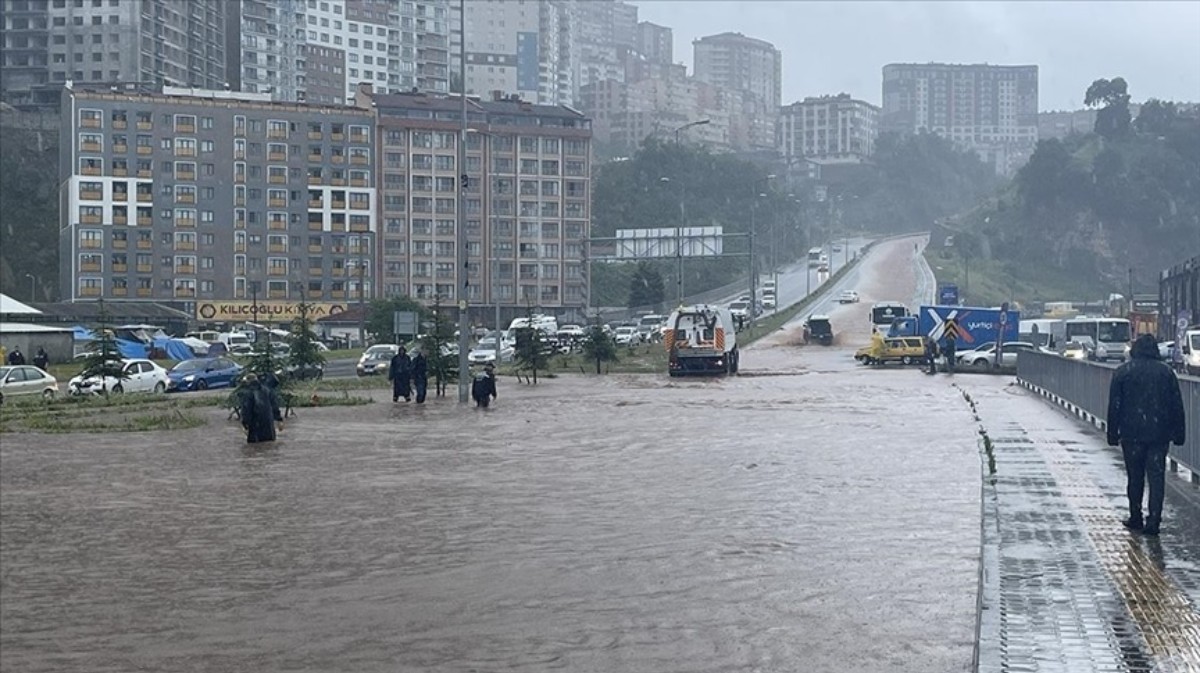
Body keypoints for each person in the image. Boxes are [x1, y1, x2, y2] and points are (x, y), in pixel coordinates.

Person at [1106, 334, 1187, 536]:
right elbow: (1177, 406)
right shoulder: (1166, 373)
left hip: (1131, 434)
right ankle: (1154, 521)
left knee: (1135, 477)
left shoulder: (1123, 372)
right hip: (1159, 435)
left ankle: (1135, 516)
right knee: (1157, 477)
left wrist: (1112, 432)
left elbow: (1114, 406)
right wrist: (1179, 433)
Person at [239, 373, 281, 444]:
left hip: (255, 427)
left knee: (255, 449)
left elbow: (246, 410)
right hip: (269, 426)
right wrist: (279, 419)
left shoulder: (248, 393)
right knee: (269, 447)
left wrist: (245, 425)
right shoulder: (267, 390)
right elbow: (274, 406)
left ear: (247, 382)